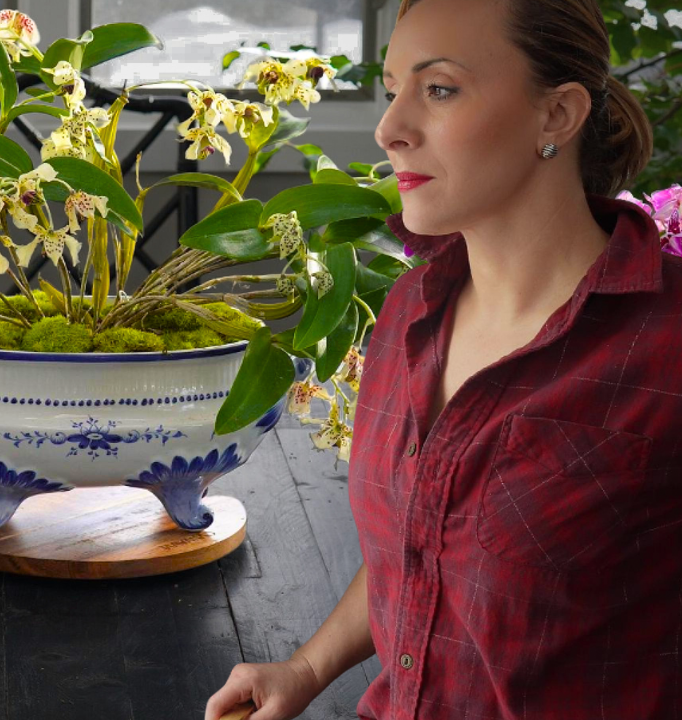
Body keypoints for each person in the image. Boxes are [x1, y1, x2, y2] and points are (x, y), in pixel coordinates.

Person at [205, 0, 682, 717]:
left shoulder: (667, 351)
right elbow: (420, 547)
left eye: (439, 89)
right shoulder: (408, 313)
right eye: (395, 88)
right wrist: (305, 670)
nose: (390, 129)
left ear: (556, 116)